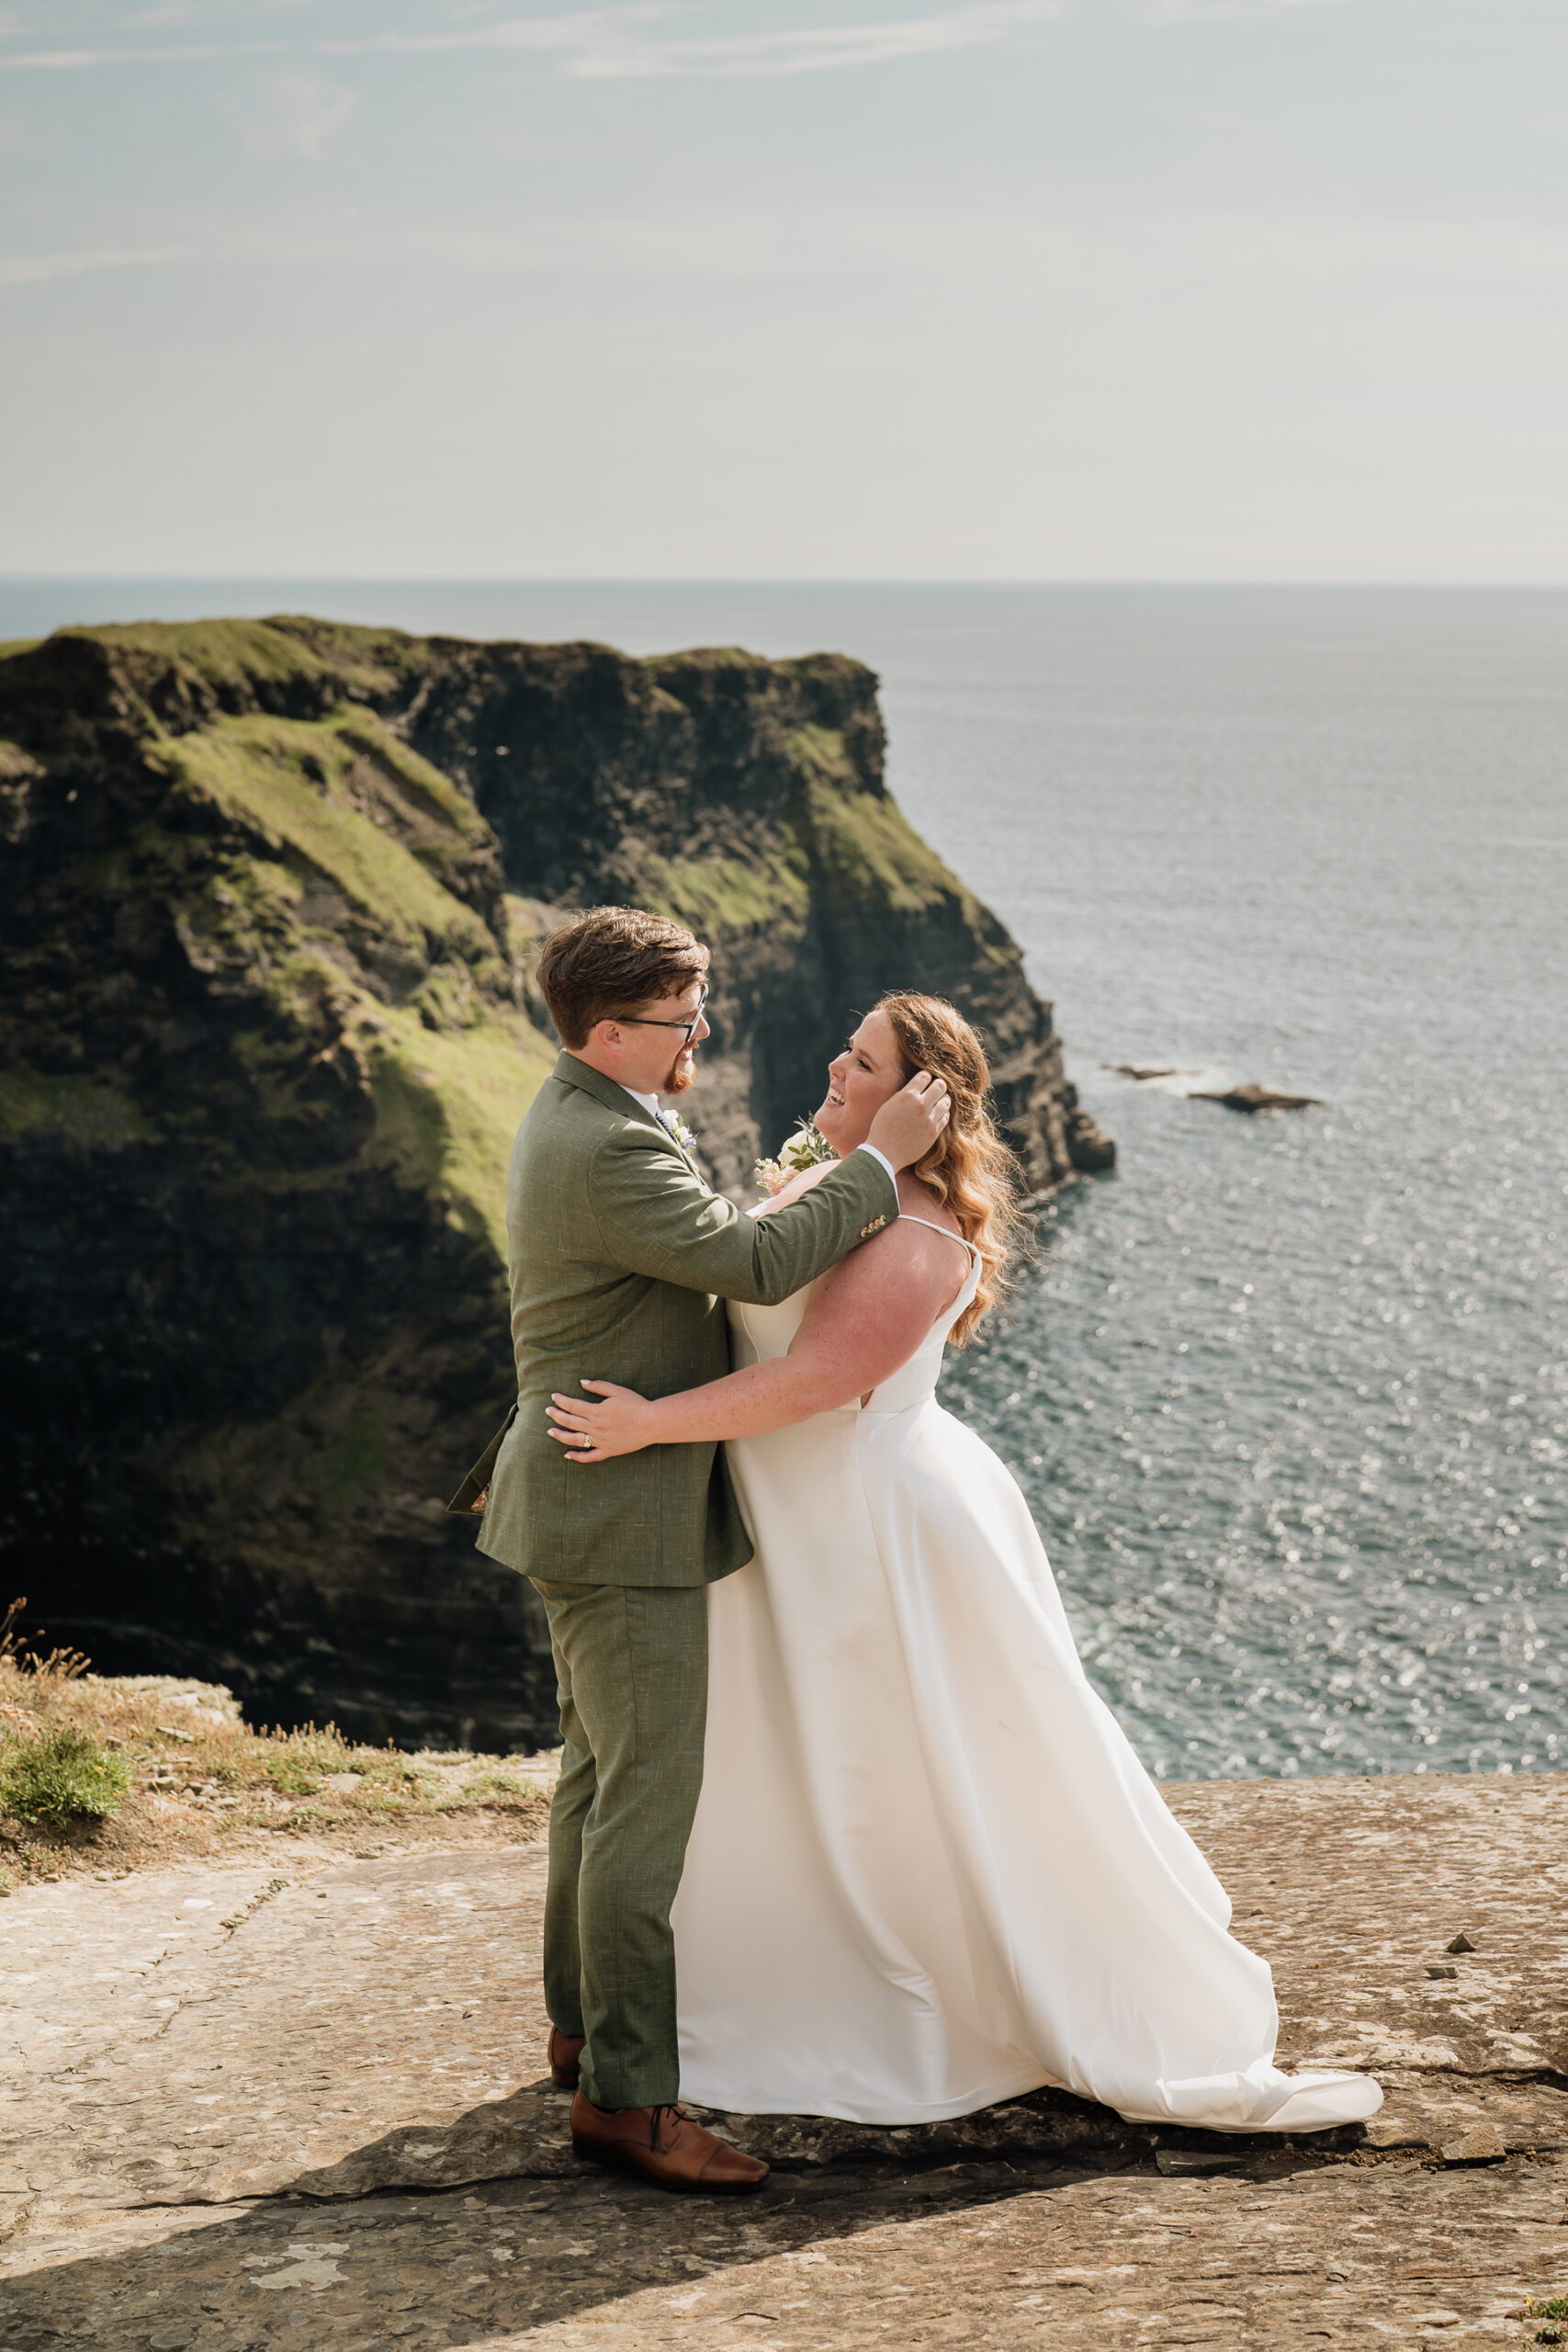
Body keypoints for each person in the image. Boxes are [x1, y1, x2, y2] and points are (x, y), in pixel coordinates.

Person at [547, 990, 1383, 2136]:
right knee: (788, 1763)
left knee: (892, 1764)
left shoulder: (918, 1234)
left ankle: (924, 1988)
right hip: (785, 1518)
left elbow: (816, 1382)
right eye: (843, 1048)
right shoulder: (844, 1187)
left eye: (866, 1061)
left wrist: (651, 1423)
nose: (836, 1068)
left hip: (864, 1527)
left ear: (919, 1104)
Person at [450, 909, 951, 2193]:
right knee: (640, 1808)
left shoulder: (603, 1113)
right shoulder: (604, 1143)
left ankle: (580, 2032)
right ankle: (628, 2101)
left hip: (585, 1500)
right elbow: (753, 1254)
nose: (705, 1030)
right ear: (609, 1032)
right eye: (683, 1017)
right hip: (621, 1517)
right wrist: (882, 1161)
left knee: (593, 1782)